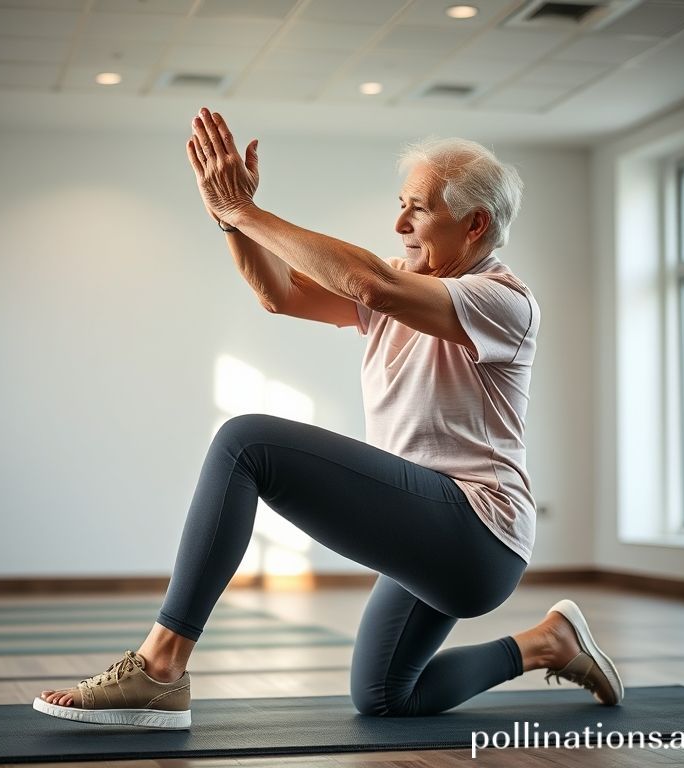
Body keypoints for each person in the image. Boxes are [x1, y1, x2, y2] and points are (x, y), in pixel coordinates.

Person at [33, 108, 624, 730]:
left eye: (417, 209)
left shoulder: (502, 301)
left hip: (476, 531)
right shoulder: (401, 285)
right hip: (431, 531)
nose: (399, 224)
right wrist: (228, 219)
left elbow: (367, 284)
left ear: (475, 224)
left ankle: (160, 668)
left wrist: (248, 212)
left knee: (245, 443)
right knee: (386, 696)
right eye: (402, 204)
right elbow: (279, 293)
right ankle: (548, 644)